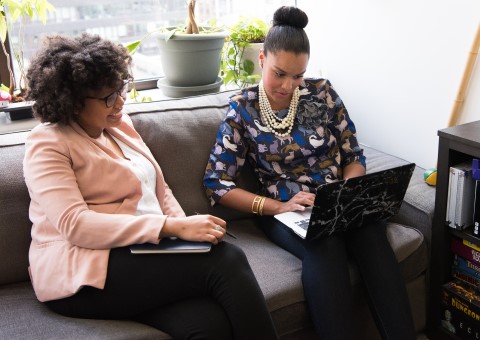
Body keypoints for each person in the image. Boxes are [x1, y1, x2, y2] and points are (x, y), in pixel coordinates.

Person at [23, 33, 278, 340]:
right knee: (227, 259)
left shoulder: (119, 125)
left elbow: (160, 189)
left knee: (209, 325)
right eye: (108, 97)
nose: (120, 101)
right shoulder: (47, 143)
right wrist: (171, 228)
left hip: (138, 255)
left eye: (120, 88)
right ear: (73, 102)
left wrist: (187, 230)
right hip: (82, 273)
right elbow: (75, 225)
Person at [203, 6, 416, 340]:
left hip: (337, 199)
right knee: (324, 242)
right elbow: (217, 185)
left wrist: (349, 192)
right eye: (280, 73)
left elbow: (353, 153)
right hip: (287, 210)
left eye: (298, 75)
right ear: (262, 59)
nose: (289, 85)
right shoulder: (241, 109)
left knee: (371, 232)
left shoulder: (322, 93)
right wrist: (278, 207)